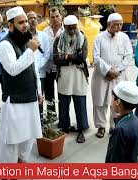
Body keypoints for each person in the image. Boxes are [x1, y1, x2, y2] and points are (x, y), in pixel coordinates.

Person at [0, 6, 43, 162]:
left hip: (30, 98)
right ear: (10, 26)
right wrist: (30, 51)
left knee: (28, 139)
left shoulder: (25, 41)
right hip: (14, 102)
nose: (25, 25)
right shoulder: (4, 45)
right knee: (12, 143)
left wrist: (39, 91)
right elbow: (13, 70)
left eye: (26, 22)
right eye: (20, 22)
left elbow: (33, 68)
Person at [91, 13, 133, 138]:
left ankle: (114, 126)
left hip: (118, 76)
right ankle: (101, 127)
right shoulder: (99, 37)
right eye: (116, 25)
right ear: (109, 24)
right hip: (102, 76)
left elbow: (128, 55)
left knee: (117, 102)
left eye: (120, 24)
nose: (119, 27)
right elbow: (96, 57)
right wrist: (108, 71)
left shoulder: (124, 37)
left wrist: (117, 71)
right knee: (100, 102)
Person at [53, 15, 89, 143]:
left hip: (79, 76)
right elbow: (56, 59)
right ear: (65, 27)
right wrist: (71, 57)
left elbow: (82, 57)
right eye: (70, 28)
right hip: (64, 76)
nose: (73, 30)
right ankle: (64, 127)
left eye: (74, 27)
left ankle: (81, 130)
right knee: (63, 103)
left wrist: (66, 56)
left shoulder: (83, 38)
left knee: (80, 103)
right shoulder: (58, 39)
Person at [105, 81, 138, 163]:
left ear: (118, 102)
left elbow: (114, 157)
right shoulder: (135, 119)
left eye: (113, 98)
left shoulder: (120, 129)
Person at [27, 11, 50, 120]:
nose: (32, 20)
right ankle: (30, 121)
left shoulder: (43, 36)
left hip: (40, 72)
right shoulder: (24, 36)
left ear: (37, 20)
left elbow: (46, 54)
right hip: (27, 72)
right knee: (29, 98)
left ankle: (40, 121)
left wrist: (38, 66)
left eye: (34, 18)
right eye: (30, 18)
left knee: (40, 97)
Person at [43, 7, 64, 112]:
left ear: (61, 17)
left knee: (62, 93)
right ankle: (51, 115)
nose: (55, 19)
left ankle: (63, 117)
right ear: (49, 18)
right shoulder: (45, 32)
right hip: (48, 67)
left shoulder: (66, 31)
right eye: (52, 17)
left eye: (57, 16)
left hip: (62, 67)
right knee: (49, 92)